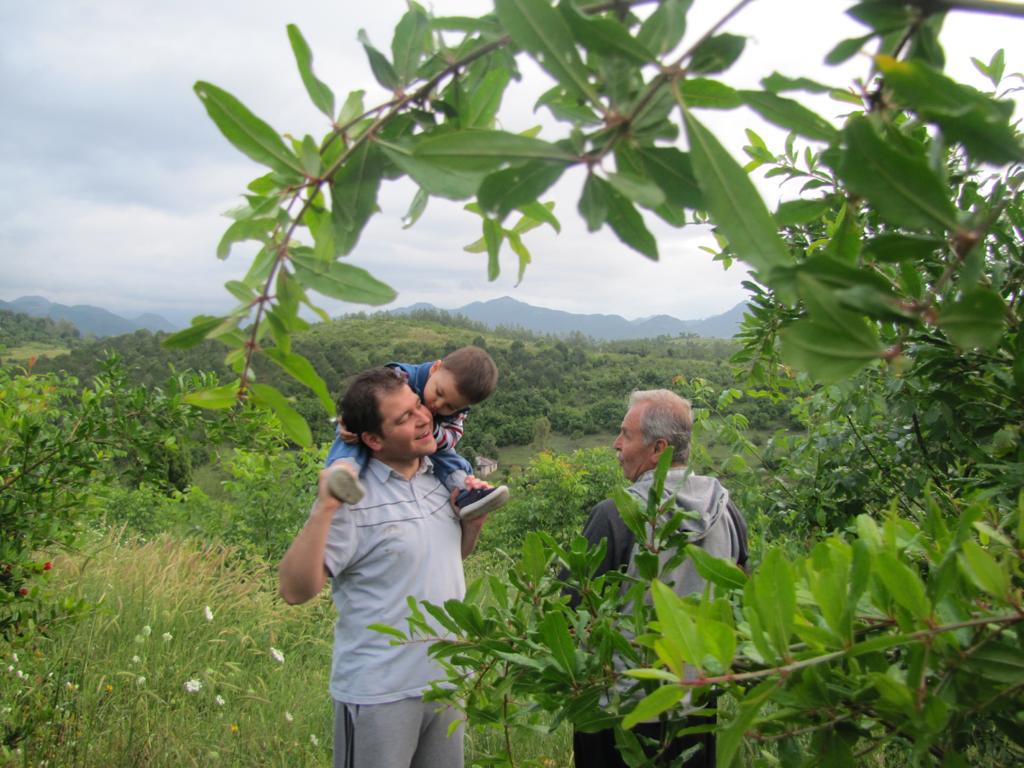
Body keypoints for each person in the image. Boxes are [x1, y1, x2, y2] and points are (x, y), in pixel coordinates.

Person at [279, 367, 491, 768]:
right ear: (373, 439)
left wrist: (472, 525)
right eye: (403, 418)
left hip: (446, 683)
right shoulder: (351, 497)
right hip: (379, 694)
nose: (424, 417)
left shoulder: (440, 482)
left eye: (417, 407)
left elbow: (440, 562)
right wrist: (325, 507)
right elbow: (294, 591)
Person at [573, 389, 748, 768]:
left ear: (659, 449)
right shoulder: (727, 512)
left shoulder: (616, 516)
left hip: (620, 715)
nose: (616, 444)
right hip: (696, 707)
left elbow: (573, 611)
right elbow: (740, 604)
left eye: (626, 435)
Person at [325, 346, 508, 520]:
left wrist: (432, 429)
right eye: (439, 392)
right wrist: (351, 417)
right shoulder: (401, 376)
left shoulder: (458, 412)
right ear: (436, 368)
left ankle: (464, 489)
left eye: (449, 406)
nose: (438, 404)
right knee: (352, 436)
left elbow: (452, 438)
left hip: (425, 439)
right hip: (377, 424)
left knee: (450, 457)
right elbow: (366, 392)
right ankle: (343, 471)